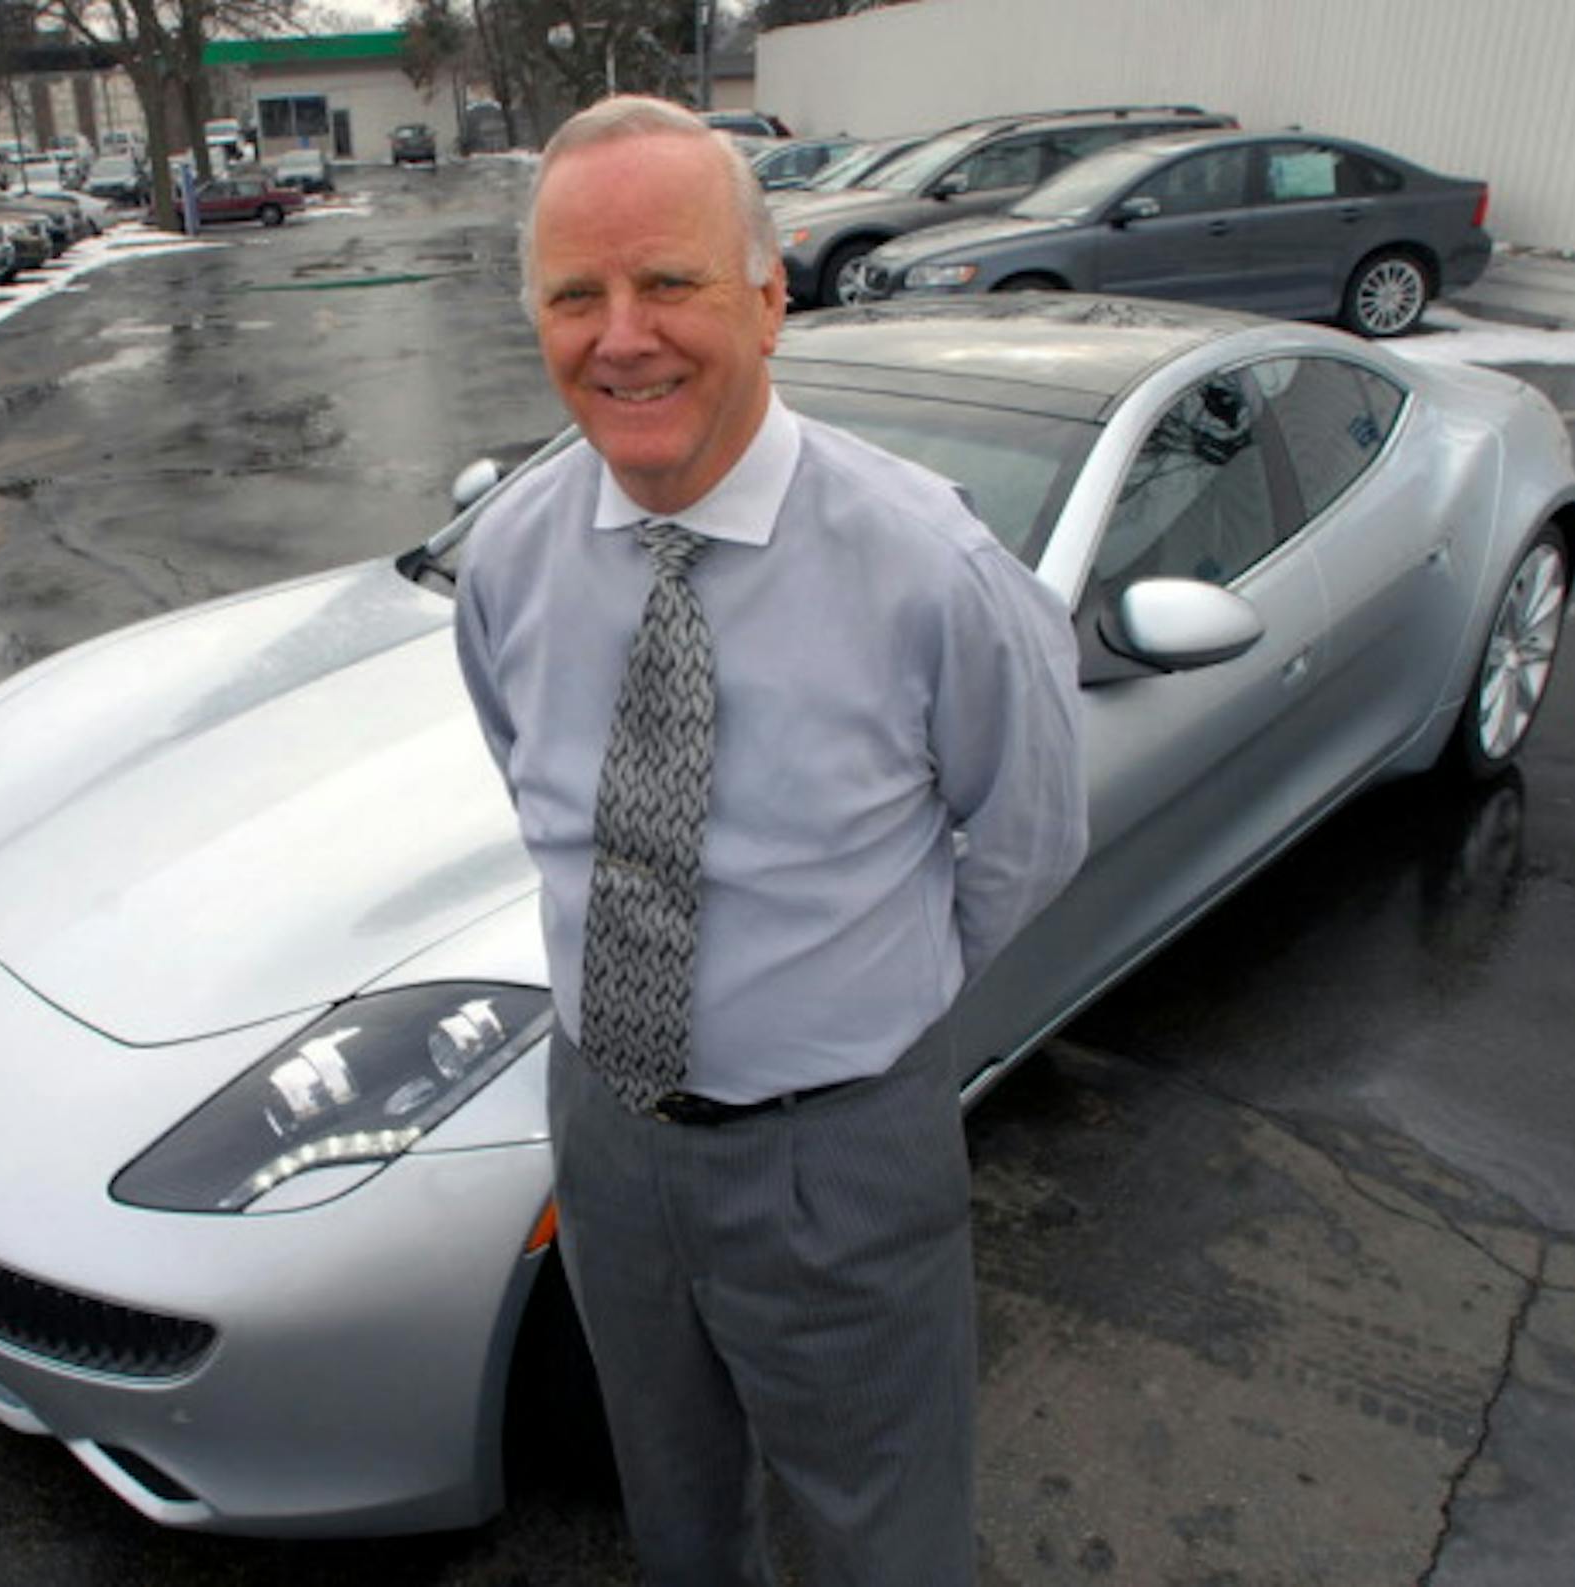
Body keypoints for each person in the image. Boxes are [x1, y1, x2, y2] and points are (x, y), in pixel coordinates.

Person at [454, 95, 1088, 1587]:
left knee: (886, 1540)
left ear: (767, 292)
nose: (622, 338)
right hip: (604, 1130)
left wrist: (848, 1007)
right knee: (674, 1519)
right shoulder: (511, 557)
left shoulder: (930, 572)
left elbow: (1030, 837)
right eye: (575, 296)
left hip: (838, 1157)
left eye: (668, 282)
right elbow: (541, 792)